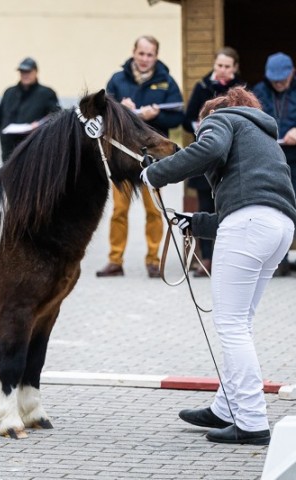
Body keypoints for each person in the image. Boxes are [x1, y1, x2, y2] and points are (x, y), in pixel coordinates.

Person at [141, 86, 296, 445]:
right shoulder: (263, 135)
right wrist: (195, 223)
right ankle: (227, 407)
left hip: (250, 226)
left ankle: (253, 421)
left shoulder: (221, 119)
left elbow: (209, 149)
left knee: (231, 325)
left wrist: (156, 174)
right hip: (279, 229)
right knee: (240, 322)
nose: (201, 133)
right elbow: (246, 204)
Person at [97, 35, 183, 278]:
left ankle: (153, 260)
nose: (145, 59)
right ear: (133, 52)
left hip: (151, 161)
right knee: (118, 212)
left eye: (150, 54)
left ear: (156, 56)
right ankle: (115, 261)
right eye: (141, 53)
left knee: (154, 212)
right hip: (121, 160)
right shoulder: (116, 80)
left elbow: (178, 117)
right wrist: (121, 110)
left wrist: (155, 117)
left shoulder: (166, 82)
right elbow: (102, 115)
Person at [183, 47, 245, 277]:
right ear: (214, 64)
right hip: (204, 158)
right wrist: (199, 126)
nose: (222, 70)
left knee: (230, 211)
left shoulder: (240, 90)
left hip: (231, 159)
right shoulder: (202, 87)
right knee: (205, 209)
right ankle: (206, 259)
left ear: (235, 68)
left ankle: (230, 260)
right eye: (219, 65)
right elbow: (186, 117)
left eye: (228, 67)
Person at [253, 52, 296, 276]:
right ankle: (280, 261)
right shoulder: (259, 91)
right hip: (271, 160)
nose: (278, 83)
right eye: (274, 79)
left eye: (283, 78)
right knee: (276, 209)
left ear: (292, 73)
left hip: (295, 158)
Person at [0, 57, 60, 162]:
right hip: (8, 151)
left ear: (36, 72)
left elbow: (57, 117)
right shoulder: (10, 93)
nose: (25, 75)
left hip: (31, 149)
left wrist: (40, 125)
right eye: (22, 72)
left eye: (28, 71)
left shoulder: (46, 93)